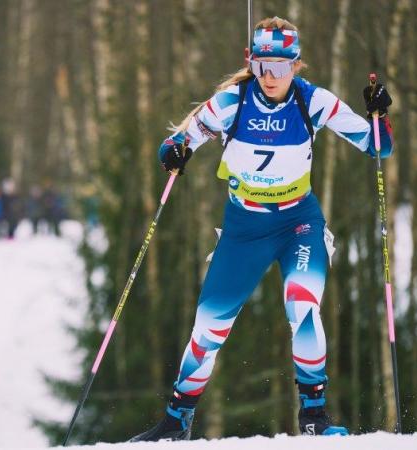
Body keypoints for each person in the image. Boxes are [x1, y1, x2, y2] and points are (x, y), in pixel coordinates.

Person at [131, 16, 393, 442]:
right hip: (244, 227)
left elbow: (379, 145)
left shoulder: (315, 102)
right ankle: (175, 422)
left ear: (297, 65)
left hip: (298, 223)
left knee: (303, 307)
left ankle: (314, 416)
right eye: (262, 66)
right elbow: (177, 142)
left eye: (281, 67)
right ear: (249, 63)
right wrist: (174, 152)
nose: (271, 77)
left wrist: (380, 111)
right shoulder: (230, 103)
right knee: (208, 328)